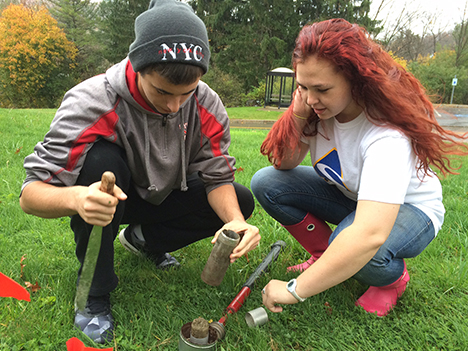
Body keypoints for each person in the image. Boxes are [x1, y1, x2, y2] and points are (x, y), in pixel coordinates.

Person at [19, 0, 260, 343]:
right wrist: (76, 197)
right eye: (162, 91)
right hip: (106, 197)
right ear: (136, 66)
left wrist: (235, 220)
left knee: (238, 199)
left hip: (164, 195)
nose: (175, 106)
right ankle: (93, 296)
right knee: (101, 162)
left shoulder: (207, 103)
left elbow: (216, 175)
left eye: (186, 93)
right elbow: (30, 195)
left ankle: (142, 240)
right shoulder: (92, 101)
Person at [251, 19, 468, 317]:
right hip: (355, 198)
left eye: (322, 89)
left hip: (412, 209)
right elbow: (284, 164)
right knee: (268, 183)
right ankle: (325, 256)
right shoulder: (316, 108)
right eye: (303, 87)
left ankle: (391, 281)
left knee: (360, 246)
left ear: (355, 80)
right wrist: (298, 115)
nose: (311, 99)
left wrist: (295, 289)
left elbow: (369, 233)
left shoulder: (385, 135)